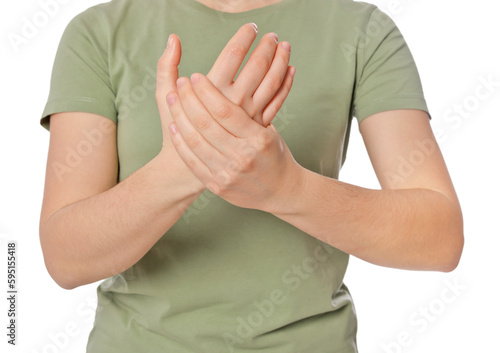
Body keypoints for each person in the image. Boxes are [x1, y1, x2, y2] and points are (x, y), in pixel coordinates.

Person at [39, 0, 464, 352]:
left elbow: (439, 238)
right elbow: (65, 257)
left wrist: (288, 188)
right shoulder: (98, 31)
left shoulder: (363, 30)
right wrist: (183, 166)